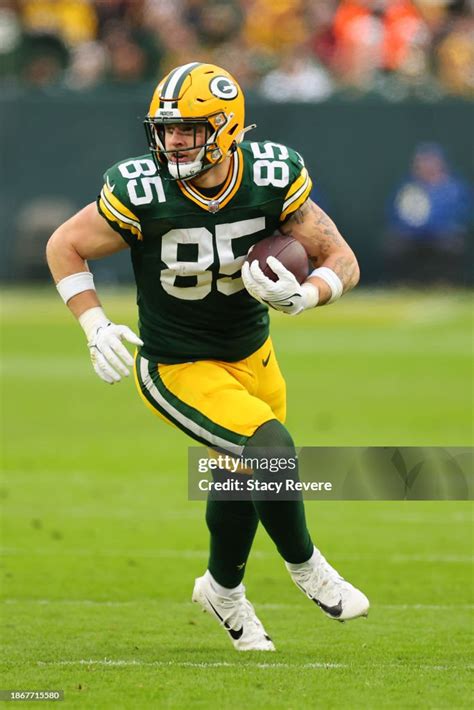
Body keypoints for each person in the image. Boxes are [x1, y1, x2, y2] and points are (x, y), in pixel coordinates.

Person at [46, 61, 369, 652]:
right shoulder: (141, 187)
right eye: (166, 129)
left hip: (253, 353)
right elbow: (64, 245)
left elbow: (341, 259)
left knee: (243, 474)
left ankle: (222, 590)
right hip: (177, 364)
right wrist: (94, 326)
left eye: (189, 129)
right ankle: (308, 567)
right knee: (271, 450)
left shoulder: (271, 176)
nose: (173, 141)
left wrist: (306, 294)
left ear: (227, 128)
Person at [385, 142, 472, 285]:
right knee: (394, 244)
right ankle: (404, 283)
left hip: (442, 237)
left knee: (451, 245)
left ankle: (445, 282)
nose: (426, 166)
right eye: (422, 162)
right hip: (412, 236)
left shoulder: (453, 187)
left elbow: (461, 215)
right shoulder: (408, 187)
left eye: (430, 162)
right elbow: (396, 214)